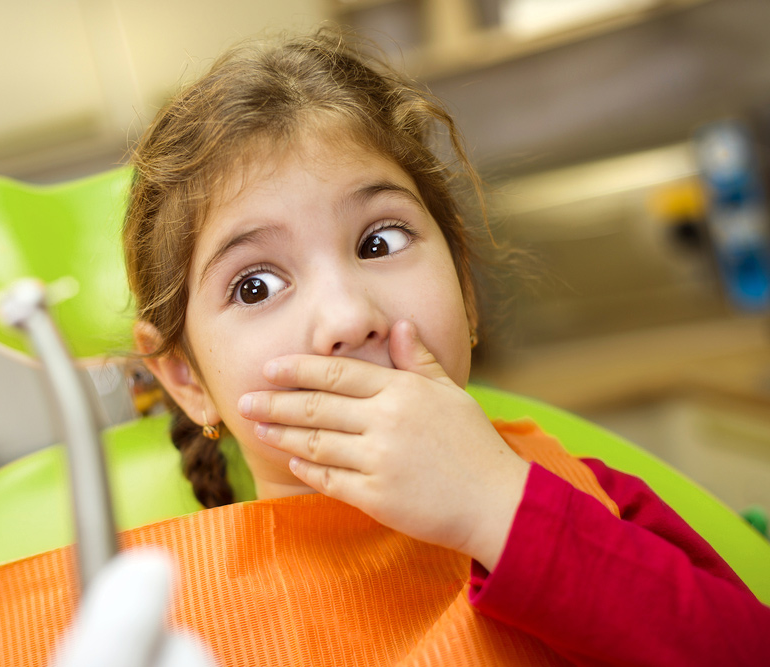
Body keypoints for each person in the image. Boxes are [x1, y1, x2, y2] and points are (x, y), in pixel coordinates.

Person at [120, 28, 769, 666]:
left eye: (379, 241)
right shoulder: (163, 630)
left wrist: (499, 505)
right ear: (185, 376)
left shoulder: (589, 503)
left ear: (463, 279)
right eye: (256, 285)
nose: (349, 316)